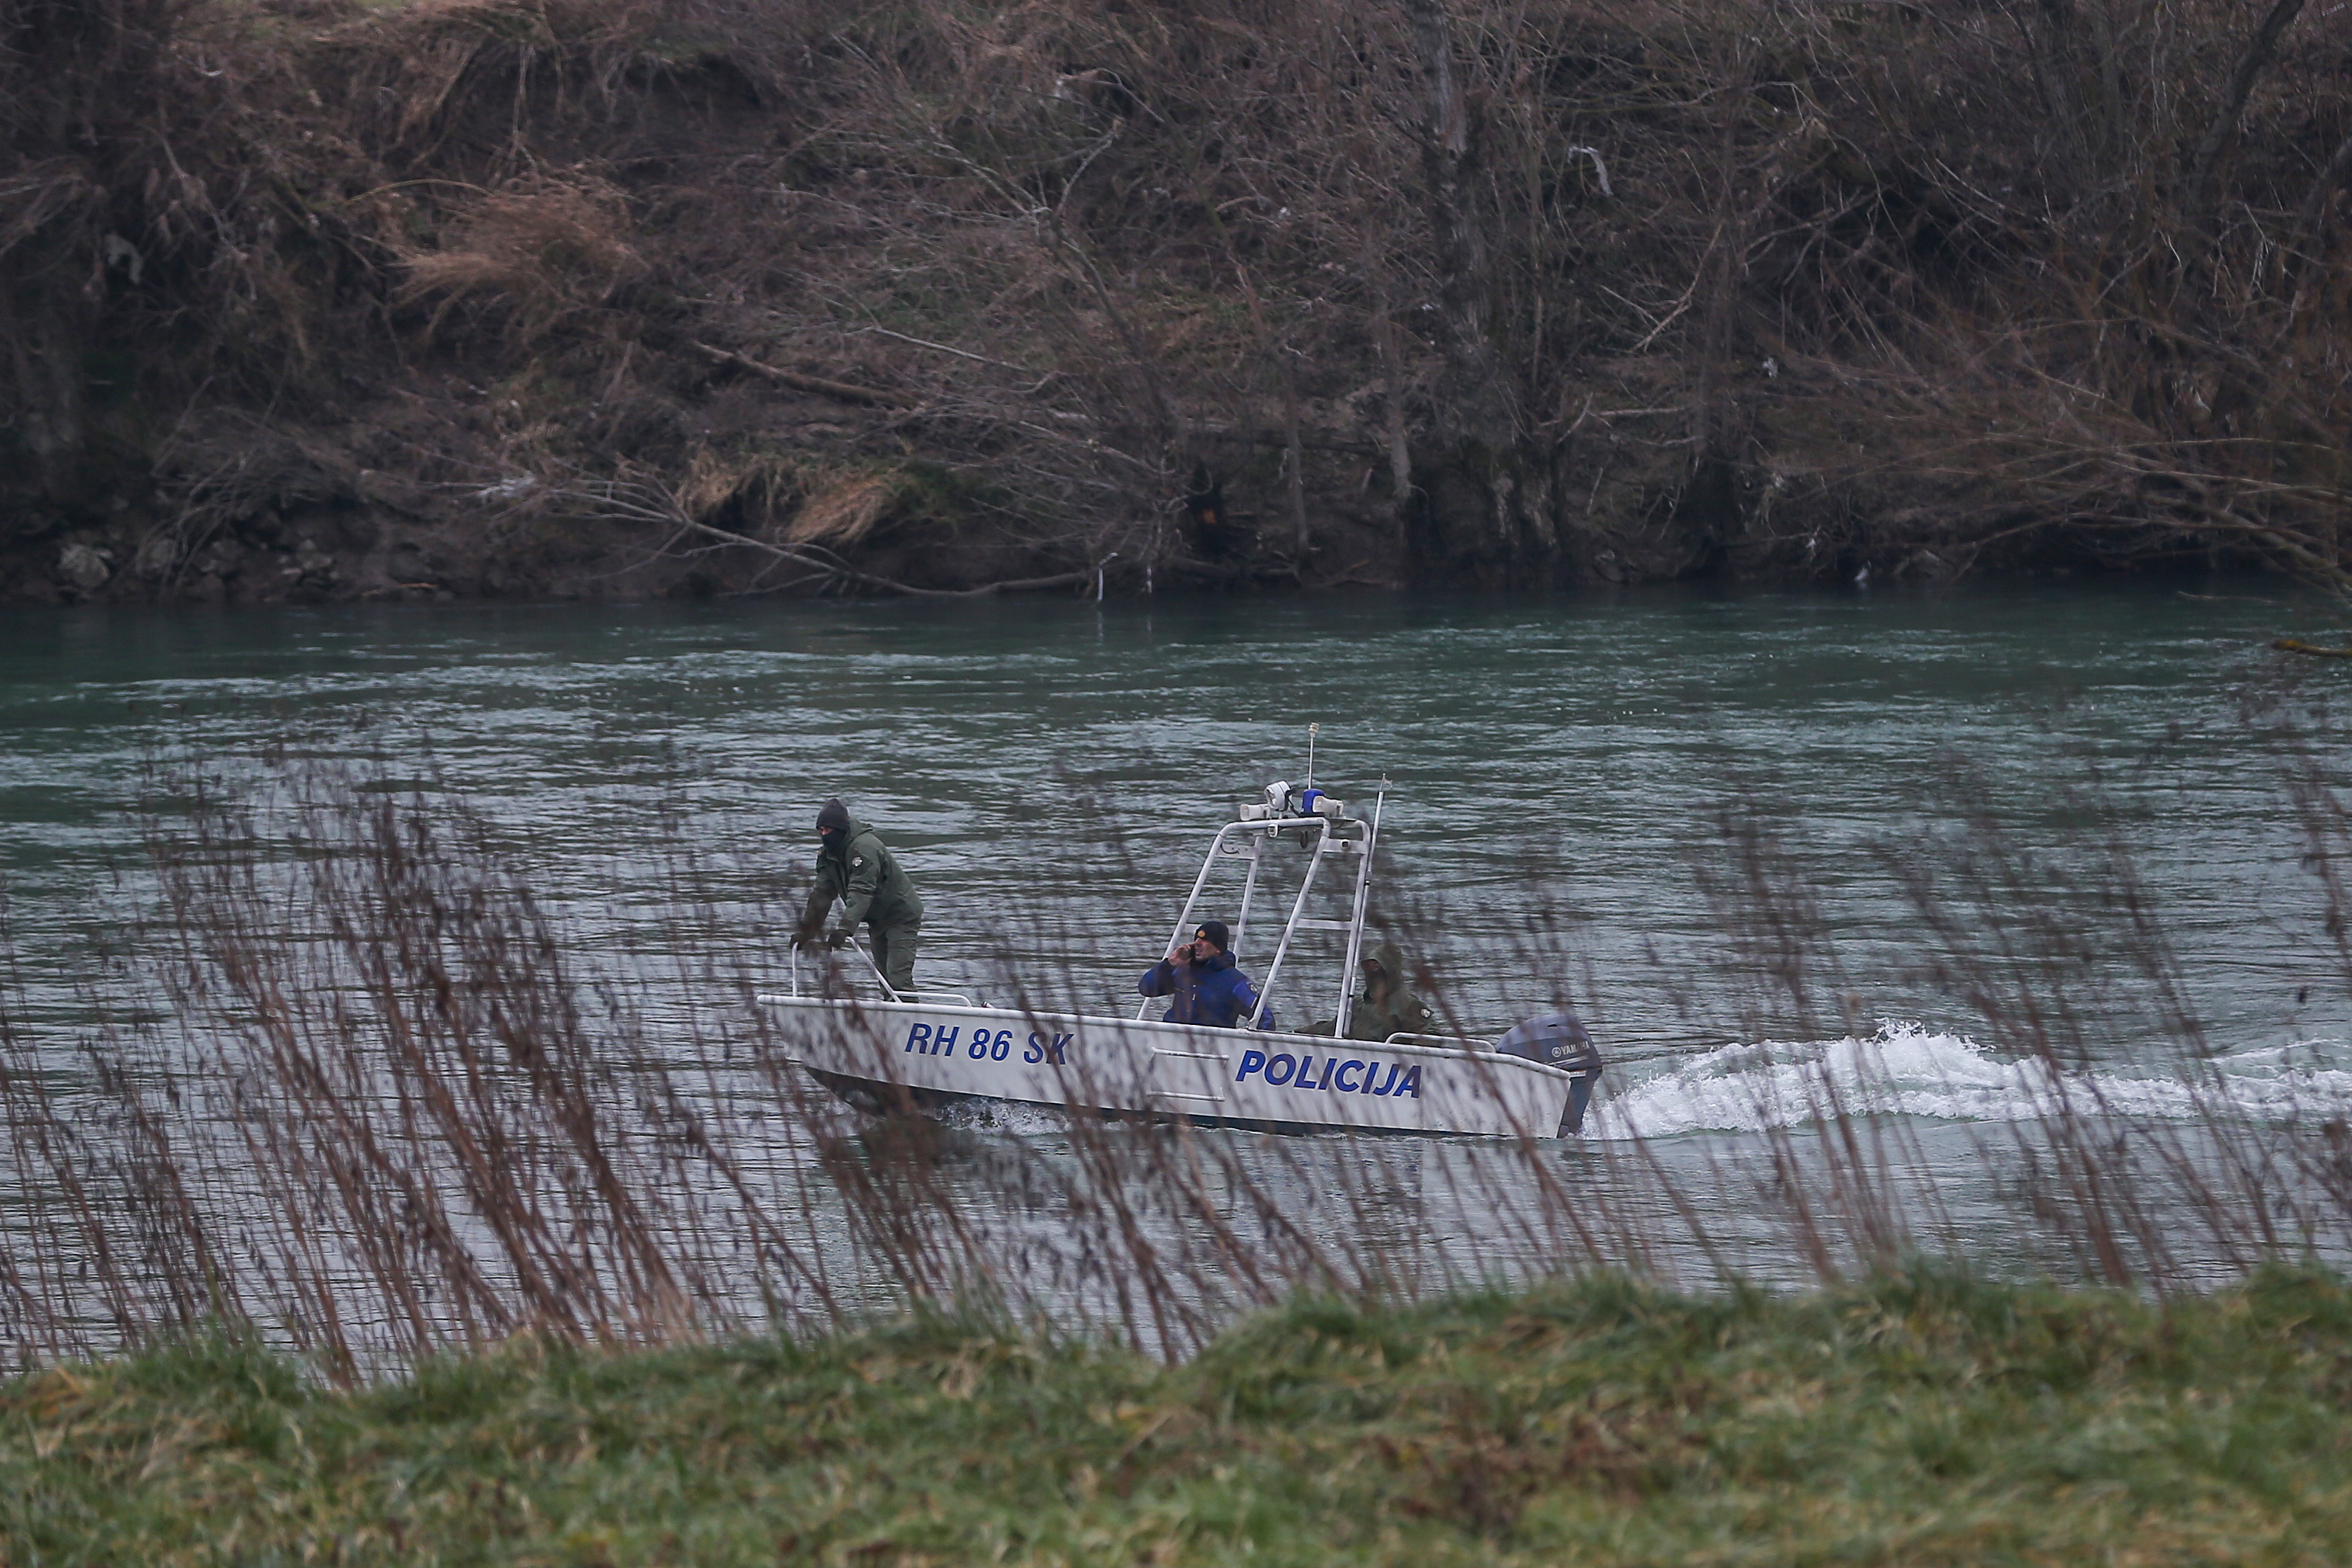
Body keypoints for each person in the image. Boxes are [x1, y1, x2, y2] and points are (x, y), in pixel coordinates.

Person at [795, 798, 924, 996]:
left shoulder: (864, 848)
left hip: (901, 914)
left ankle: (912, 1016)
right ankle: (893, 1017)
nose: (824, 836)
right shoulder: (828, 856)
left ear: (840, 829)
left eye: (827, 831)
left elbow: (862, 891)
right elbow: (821, 895)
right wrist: (807, 931)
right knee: (884, 980)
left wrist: (845, 929)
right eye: (820, 831)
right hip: (876, 918)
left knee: (898, 977)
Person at [1137, 920, 1272, 1029]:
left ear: (1218, 948)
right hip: (1172, 1039)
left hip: (1213, 1049)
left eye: (1205, 940)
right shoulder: (1182, 971)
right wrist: (1170, 963)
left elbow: (1265, 1019)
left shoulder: (1236, 982)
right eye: (1196, 939)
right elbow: (1146, 989)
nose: (1197, 943)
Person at [1342, 943, 1435, 1042]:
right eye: (1367, 966)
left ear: (1389, 968)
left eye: (1376, 965)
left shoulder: (1408, 1004)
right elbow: (1332, 1029)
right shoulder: (1358, 1004)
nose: (1372, 969)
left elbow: (1431, 1037)